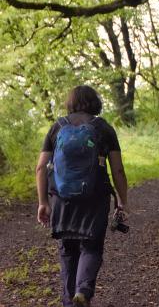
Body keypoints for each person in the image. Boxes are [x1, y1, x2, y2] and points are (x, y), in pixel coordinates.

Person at [36, 85, 129, 307]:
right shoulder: (103, 128)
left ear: (71, 103)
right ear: (95, 103)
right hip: (95, 197)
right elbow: (117, 169)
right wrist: (122, 200)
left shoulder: (57, 127)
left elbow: (41, 168)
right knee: (92, 245)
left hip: (61, 197)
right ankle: (83, 292)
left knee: (68, 249)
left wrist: (43, 203)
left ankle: (70, 302)